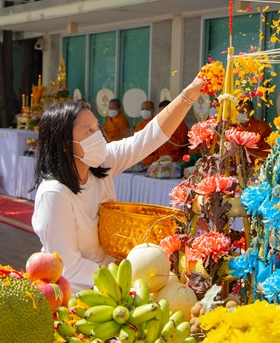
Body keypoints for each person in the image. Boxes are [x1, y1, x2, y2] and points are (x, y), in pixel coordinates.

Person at [31, 76, 205, 292]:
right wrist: (125, 279)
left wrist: (190, 93)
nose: (98, 136)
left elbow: (149, 138)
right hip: (78, 293)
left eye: (97, 128)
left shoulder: (100, 163)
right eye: (89, 131)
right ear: (65, 144)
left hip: (115, 282)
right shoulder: (54, 194)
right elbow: (69, 266)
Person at [140, 100, 189, 167]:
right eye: (160, 113)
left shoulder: (179, 124)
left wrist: (167, 140)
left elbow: (181, 144)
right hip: (159, 156)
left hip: (174, 156)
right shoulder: (160, 124)